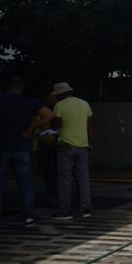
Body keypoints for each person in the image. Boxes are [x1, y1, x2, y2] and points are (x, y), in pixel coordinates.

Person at [0, 77, 54, 228]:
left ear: (6, 86)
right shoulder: (29, 102)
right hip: (22, 147)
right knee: (26, 184)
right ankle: (29, 218)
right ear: (23, 87)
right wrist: (31, 129)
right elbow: (49, 114)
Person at [50, 82, 93, 220]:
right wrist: (90, 143)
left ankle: (65, 211)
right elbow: (89, 126)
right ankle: (86, 209)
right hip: (83, 145)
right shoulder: (84, 104)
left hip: (65, 145)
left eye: (57, 95)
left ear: (61, 94)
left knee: (65, 179)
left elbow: (56, 127)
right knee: (83, 178)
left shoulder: (59, 106)